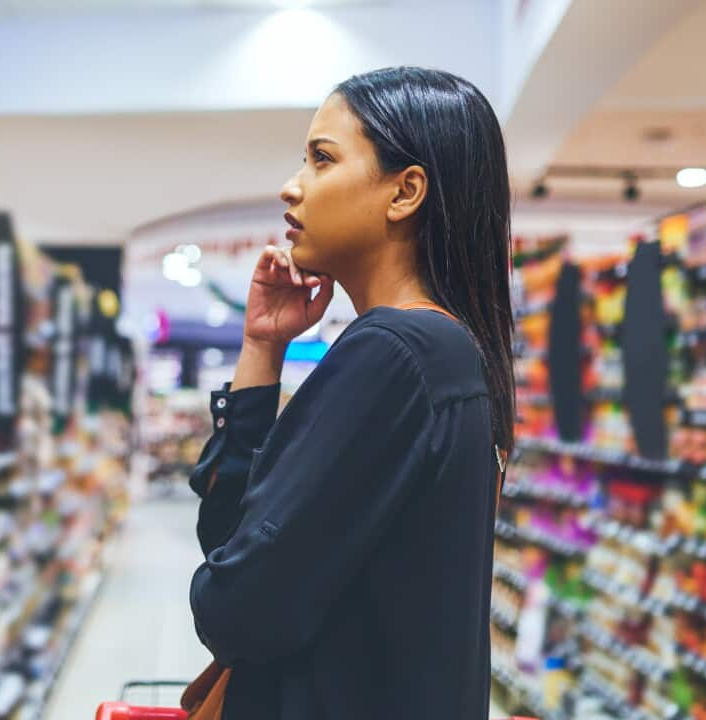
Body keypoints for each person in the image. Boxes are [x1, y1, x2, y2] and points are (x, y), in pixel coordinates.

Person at [187, 67, 514, 719]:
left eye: (321, 159)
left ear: (405, 191)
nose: (292, 186)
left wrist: (224, 587)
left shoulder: (393, 355)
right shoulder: (444, 354)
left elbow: (236, 609)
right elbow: (231, 536)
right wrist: (262, 348)